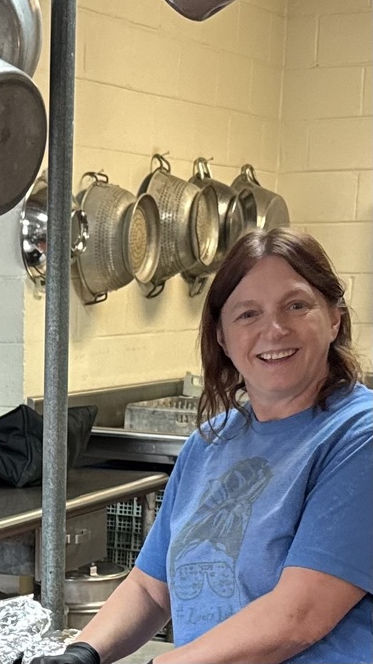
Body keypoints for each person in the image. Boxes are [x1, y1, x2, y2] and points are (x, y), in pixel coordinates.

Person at [32, 227, 372, 664]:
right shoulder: (211, 443)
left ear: (334, 319)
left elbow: (297, 617)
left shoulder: (358, 437)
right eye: (247, 314)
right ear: (223, 339)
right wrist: (83, 652)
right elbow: (151, 589)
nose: (274, 329)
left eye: (296, 305)